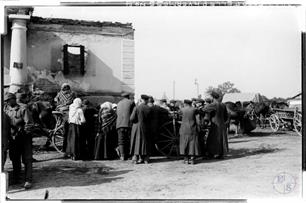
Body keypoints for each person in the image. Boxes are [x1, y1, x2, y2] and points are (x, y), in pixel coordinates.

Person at [3, 92, 33, 189]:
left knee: (27, 159)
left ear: (13, 99)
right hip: (12, 138)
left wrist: (22, 131)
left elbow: (29, 124)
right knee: (15, 159)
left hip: (24, 138)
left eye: (8, 100)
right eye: (6, 101)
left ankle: (28, 180)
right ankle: (16, 178)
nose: (7, 103)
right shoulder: (5, 109)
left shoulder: (23, 108)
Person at [205, 91, 229, 159]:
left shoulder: (213, 105)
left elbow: (204, 109)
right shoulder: (223, 105)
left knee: (212, 139)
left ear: (212, 97)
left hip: (215, 124)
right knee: (222, 139)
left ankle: (211, 154)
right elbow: (226, 116)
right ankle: (221, 154)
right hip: (222, 124)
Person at [130, 94, 152, 164]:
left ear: (141, 100)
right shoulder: (149, 108)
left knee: (136, 142)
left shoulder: (137, 107)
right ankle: (145, 159)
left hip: (136, 127)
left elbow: (132, 118)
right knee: (144, 142)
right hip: (146, 127)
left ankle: (135, 158)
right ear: (147, 100)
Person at [179, 99, 201, 165]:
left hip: (184, 129)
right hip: (192, 128)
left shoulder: (182, 109)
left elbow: (178, 114)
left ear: (185, 103)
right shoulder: (194, 109)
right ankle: (192, 159)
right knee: (192, 144)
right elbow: (199, 114)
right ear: (191, 103)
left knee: (184, 143)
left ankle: (186, 159)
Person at [116, 92, 135, 160]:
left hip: (119, 124)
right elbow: (134, 113)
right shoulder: (131, 102)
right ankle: (129, 155)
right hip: (128, 124)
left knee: (121, 140)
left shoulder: (119, 103)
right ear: (129, 96)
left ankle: (122, 156)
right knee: (129, 140)